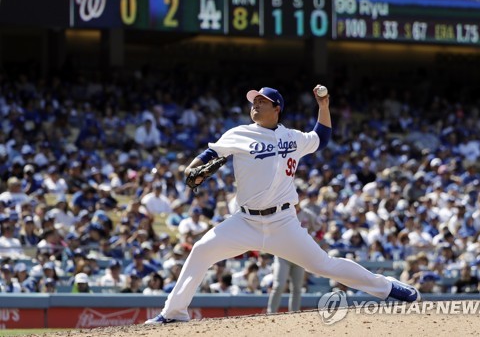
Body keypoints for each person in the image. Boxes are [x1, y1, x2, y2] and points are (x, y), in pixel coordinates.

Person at [146, 86, 421, 325]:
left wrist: (323, 106)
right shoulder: (239, 133)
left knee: (324, 264)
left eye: (261, 101)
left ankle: (388, 288)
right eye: (254, 101)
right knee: (201, 250)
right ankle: (174, 312)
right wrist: (191, 170)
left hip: (283, 223)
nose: (255, 104)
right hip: (245, 222)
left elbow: (321, 138)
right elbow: (208, 154)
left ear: (276, 108)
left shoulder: (294, 137)